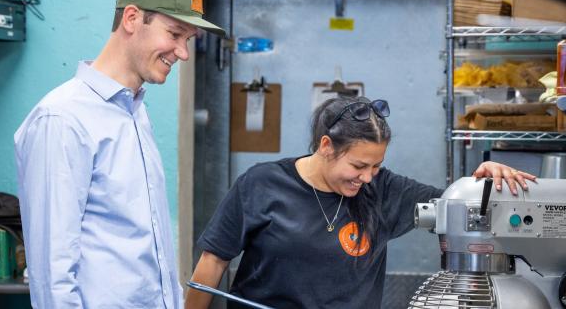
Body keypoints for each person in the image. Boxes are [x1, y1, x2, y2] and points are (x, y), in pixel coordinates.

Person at [185, 96, 535, 309]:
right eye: (358, 165)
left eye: (376, 166)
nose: (367, 177)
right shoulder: (261, 184)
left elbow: (458, 209)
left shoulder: (382, 190)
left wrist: (481, 183)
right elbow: (213, 261)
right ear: (326, 146)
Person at [14, 0, 224, 308]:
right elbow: (52, 277)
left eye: (188, 40)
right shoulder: (63, 119)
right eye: (174, 34)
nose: (182, 53)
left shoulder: (134, 112)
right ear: (132, 18)